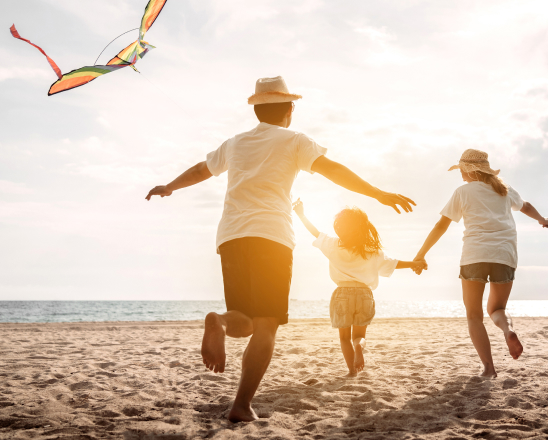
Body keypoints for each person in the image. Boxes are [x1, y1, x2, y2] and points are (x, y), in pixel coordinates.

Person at [145, 76, 415, 422]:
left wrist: (169, 186)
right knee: (267, 324)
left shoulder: (235, 143)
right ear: (289, 109)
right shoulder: (295, 141)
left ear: (257, 110)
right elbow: (333, 171)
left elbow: (202, 169)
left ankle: (220, 323)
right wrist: (378, 193)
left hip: (231, 236)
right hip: (271, 237)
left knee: (242, 321)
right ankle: (241, 405)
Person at [413, 149, 548, 378]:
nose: (460, 175)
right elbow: (525, 206)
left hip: (474, 256)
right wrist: (542, 219)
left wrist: (421, 254)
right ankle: (508, 329)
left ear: (468, 170)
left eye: (461, 171)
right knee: (497, 309)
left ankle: (489, 368)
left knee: (474, 315)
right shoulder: (504, 190)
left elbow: (441, 226)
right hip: (504, 256)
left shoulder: (463, 192)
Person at [292, 199, 426, 377]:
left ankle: (352, 371)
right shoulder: (371, 251)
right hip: (364, 294)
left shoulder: (333, 245)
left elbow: (314, 232)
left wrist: (301, 213)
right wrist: (413, 264)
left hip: (342, 294)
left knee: (343, 338)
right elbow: (393, 263)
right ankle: (359, 346)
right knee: (359, 336)